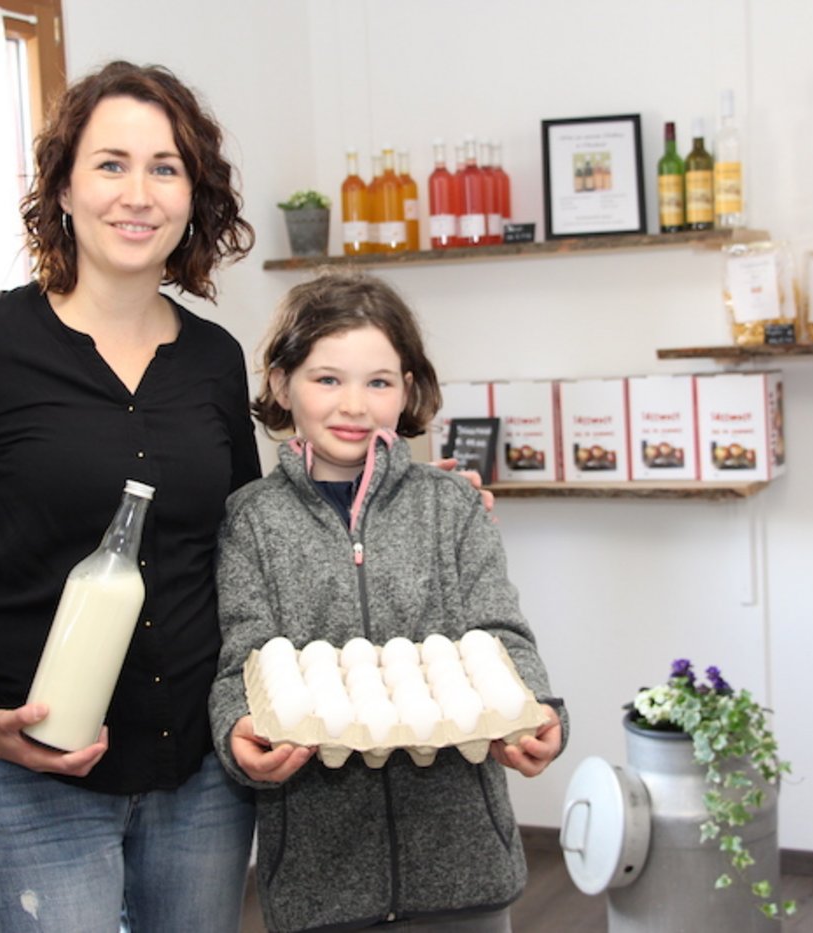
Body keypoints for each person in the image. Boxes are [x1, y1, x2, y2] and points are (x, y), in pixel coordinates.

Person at [0, 61, 261, 932]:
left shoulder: (214, 358)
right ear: (64, 186)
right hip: (31, 769)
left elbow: (250, 543)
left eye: (166, 167)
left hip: (198, 772)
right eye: (111, 163)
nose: (140, 193)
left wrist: (410, 498)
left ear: (195, 194)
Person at [209, 270, 569, 932]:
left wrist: (540, 708)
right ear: (283, 383)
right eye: (327, 378)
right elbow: (243, 659)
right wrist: (238, 730)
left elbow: (502, 634)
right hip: (322, 879)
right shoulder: (252, 520)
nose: (355, 403)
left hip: (464, 867)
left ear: (408, 389)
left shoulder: (451, 505)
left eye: (378, 381)